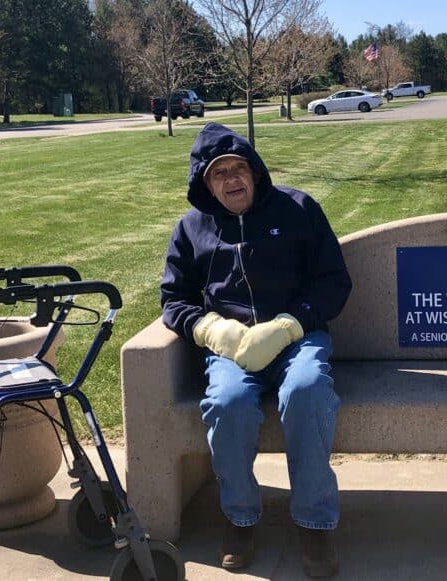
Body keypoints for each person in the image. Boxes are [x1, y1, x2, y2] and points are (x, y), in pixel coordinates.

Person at [160, 123, 352, 578]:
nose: (231, 180)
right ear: (204, 184)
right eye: (218, 174)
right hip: (231, 346)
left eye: (237, 168)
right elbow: (174, 299)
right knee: (227, 403)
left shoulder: (299, 209)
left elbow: (334, 281)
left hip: (296, 338)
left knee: (306, 391)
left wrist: (289, 325)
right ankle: (240, 517)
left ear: (255, 170)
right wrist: (211, 330)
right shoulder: (191, 229)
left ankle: (314, 521)